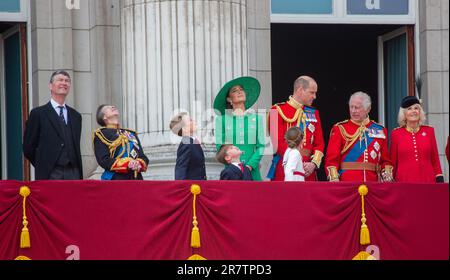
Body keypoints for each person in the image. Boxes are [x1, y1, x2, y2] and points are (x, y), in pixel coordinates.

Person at [23, 70, 83, 180]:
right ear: (50, 86)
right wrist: (43, 164)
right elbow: (28, 147)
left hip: (73, 172)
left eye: (67, 81)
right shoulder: (38, 113)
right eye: (60, 80)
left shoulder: (76, 116)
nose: (64, 83)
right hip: (50, 173)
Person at [324, 91, 393, 182]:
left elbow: (386, 160)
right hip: (347, 182)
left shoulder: (380, 130)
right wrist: (334, 179)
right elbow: (331, 160)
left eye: (357, 108)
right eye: (351, 107)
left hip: (373, 182)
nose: (353, 111)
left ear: (368, 109)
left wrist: (387, 174)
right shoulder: (340, 129)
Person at [267, 75, 325, 181]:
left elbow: (319, 144)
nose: (315, 96)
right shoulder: (275, 110)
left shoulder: (314, 113)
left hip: (308, 172)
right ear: (300, 90)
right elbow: (277, 144)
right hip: (286, 168)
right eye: (312, 92)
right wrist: (297, 161)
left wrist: (313, 164)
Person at [214, 76, 265, 181]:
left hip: (253, 171)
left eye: (241, 90)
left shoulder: (257, 119)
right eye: (234, 91)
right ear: (229, 99)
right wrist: (234, 164)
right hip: (232, 172)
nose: (239, 92)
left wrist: (251, 165)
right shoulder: (221, 120)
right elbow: (220, 146)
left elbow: (262, 146)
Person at [390, 96, 444, 183]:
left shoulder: (429, 131)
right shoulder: (396, 134)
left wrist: (439, 176)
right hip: (404, 182)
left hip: (428, 180)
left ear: (420, 111)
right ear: (404, 113)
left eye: (416, 108)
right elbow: (393, 162)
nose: (413, 111)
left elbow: (435, 159)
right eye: (409, 109)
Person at [93, 105, 149, 180]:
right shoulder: (101, 134)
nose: (112, 106)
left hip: (136, 178)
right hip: (116, 179)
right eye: (108, 108)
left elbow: (142, 156)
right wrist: (127, 164)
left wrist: (138, 163)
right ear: (104, 117)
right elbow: (103, 160)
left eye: (112, 106)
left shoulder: (131, 133)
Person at [170, 112, 206, 180]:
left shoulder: (192, 141)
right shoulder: (186, 143)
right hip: (191, 187)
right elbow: (181, 168)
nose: (194, 121)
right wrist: (182, 188)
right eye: (190, 120)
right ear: (184, 128)